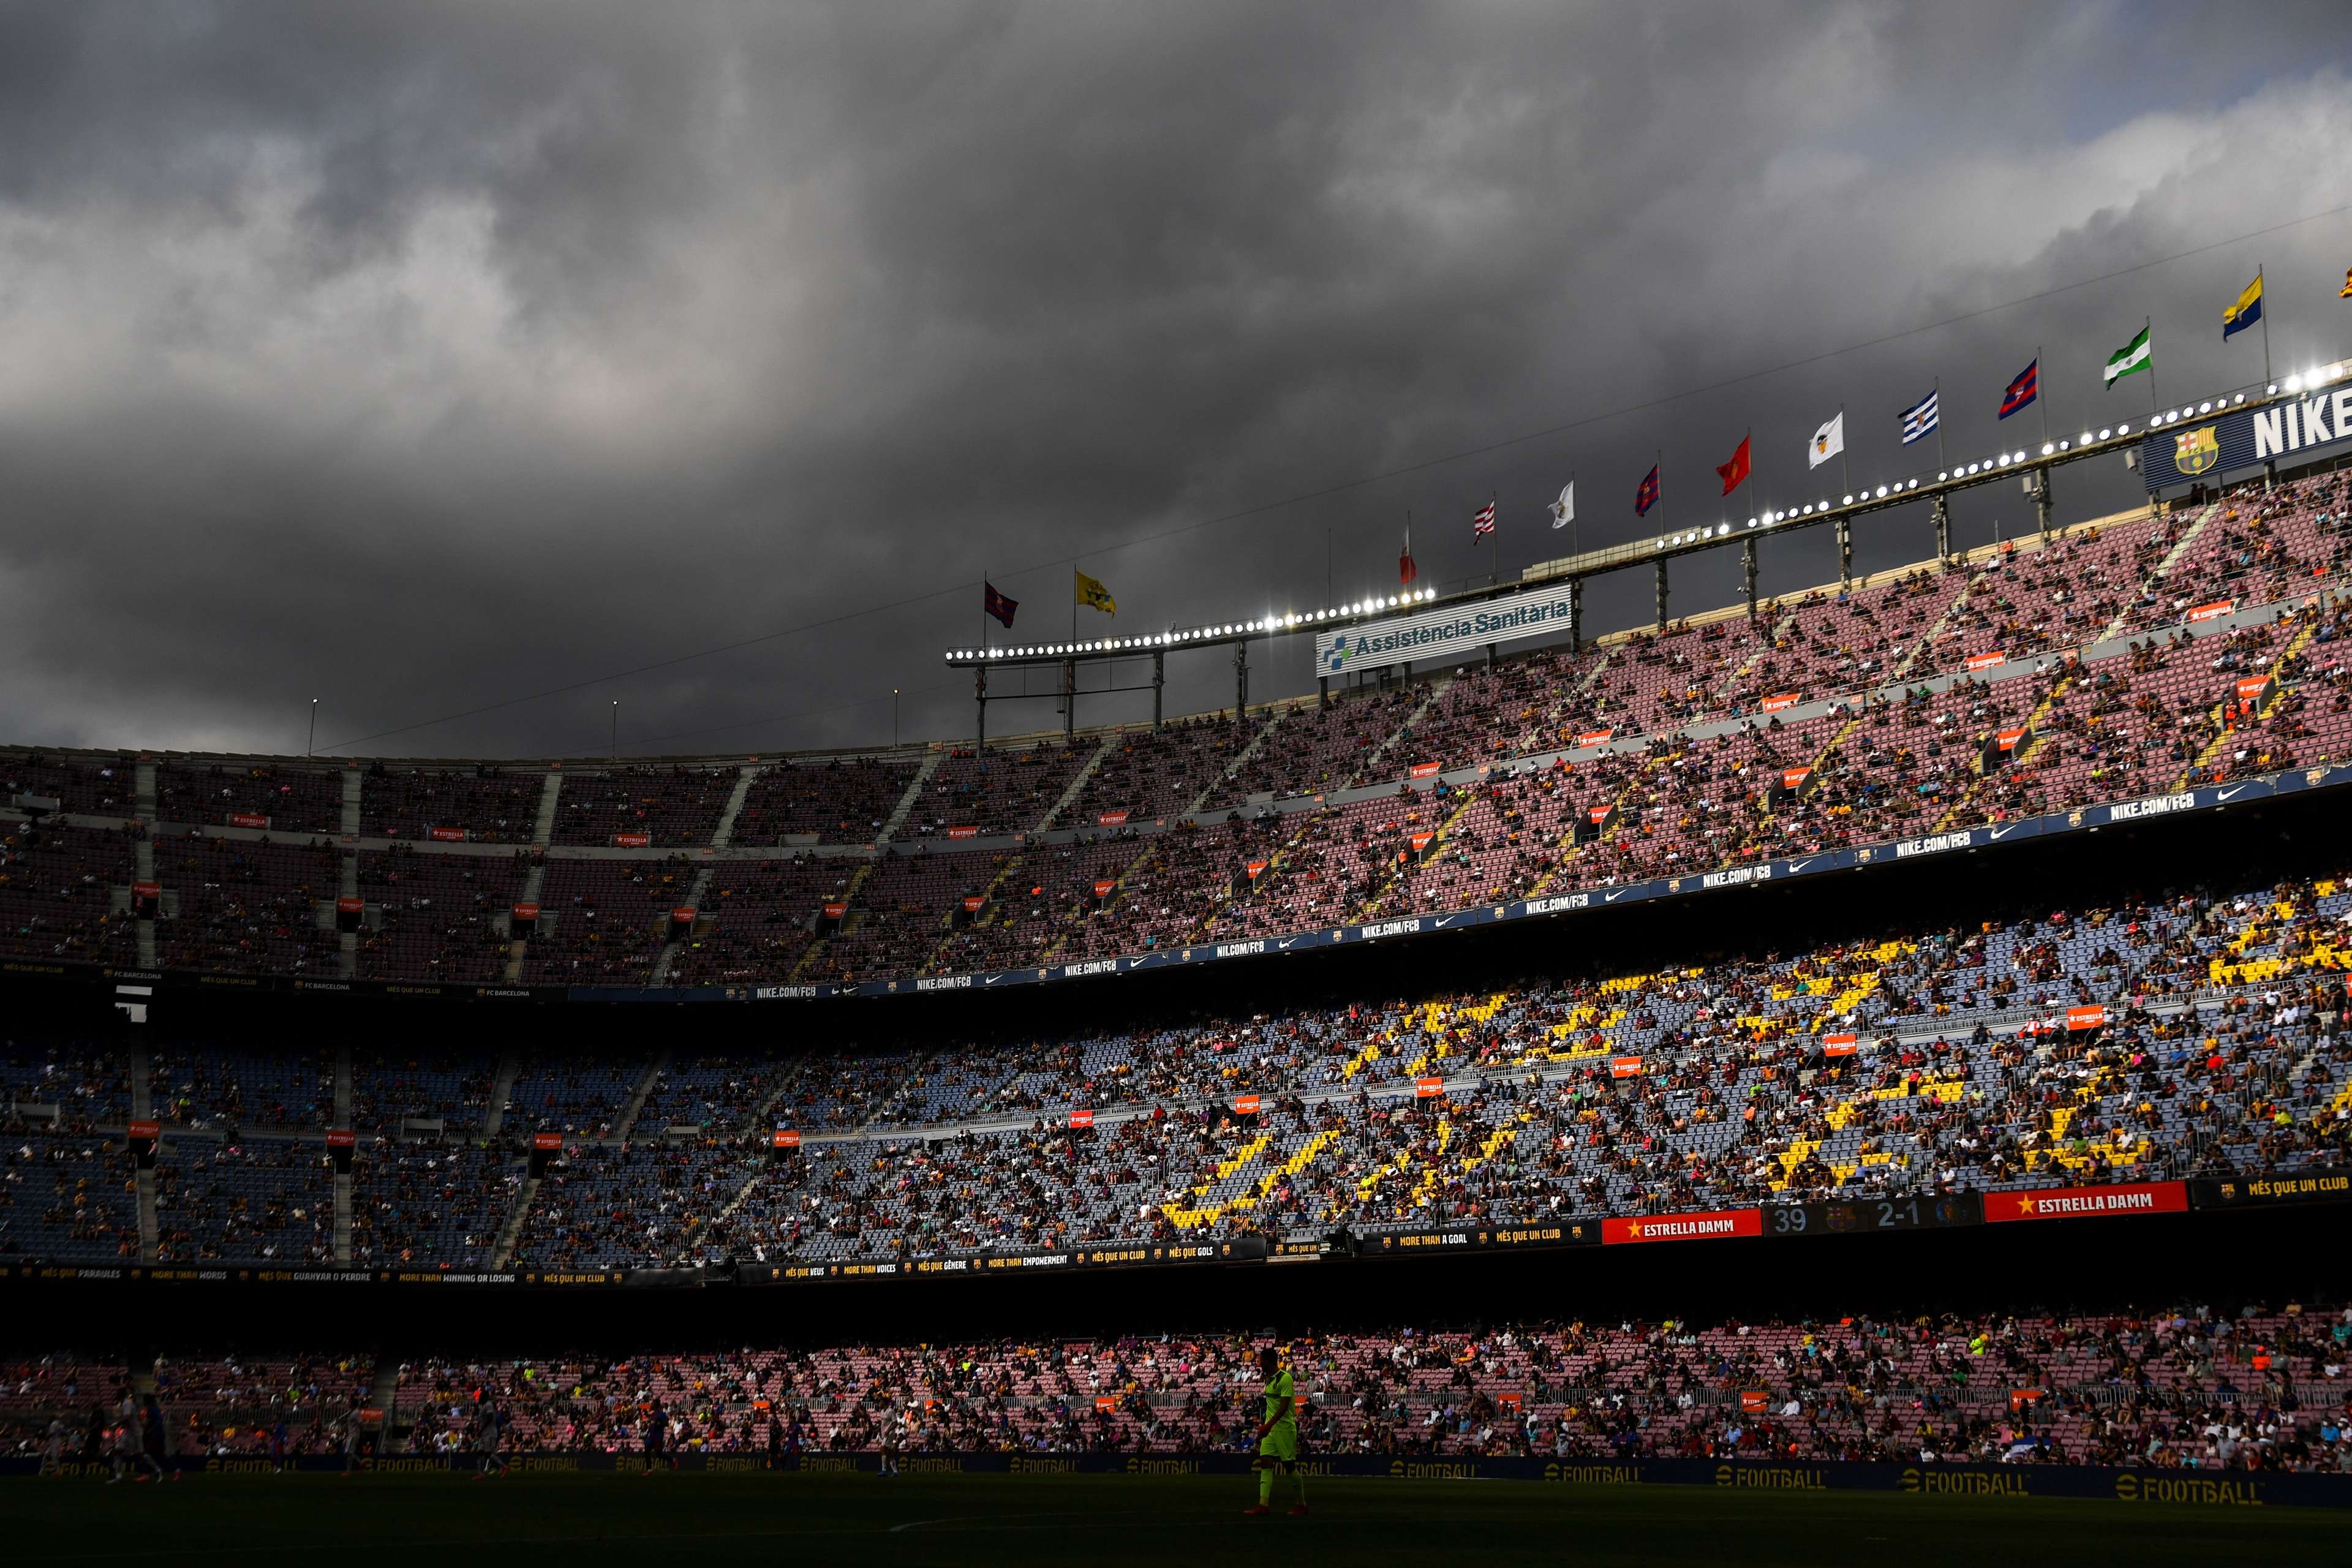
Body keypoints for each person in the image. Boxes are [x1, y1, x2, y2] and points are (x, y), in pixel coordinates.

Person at [1245, 1344, 1306, 1517]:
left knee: (1289, 1467)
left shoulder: (1285, 1378)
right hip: (1271, 1429)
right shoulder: (1269, 1379)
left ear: (1267, 1361)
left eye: (1260, 1360)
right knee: (1265, 1462)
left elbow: (1284, 1406)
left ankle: (1301, 1505)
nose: (1258, 1363)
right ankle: (1263, 1504)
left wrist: (1267, 1426)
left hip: (1284, 1429)